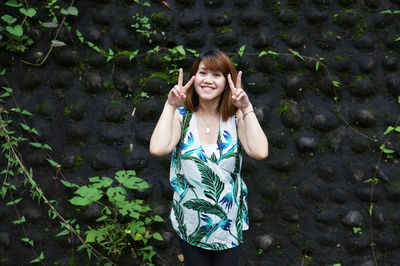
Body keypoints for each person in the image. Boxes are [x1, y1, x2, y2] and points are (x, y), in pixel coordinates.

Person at [149, 49, 268, 266]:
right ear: (194, 78)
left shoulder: (235, 118)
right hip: (191, 221)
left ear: (227, 81)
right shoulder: (181, 117)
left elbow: (259, 151)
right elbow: (158, 148)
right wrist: (170, 105)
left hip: (228, 223)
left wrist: (246, 107)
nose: (208, 80)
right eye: (203, 73)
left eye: (217, 75)